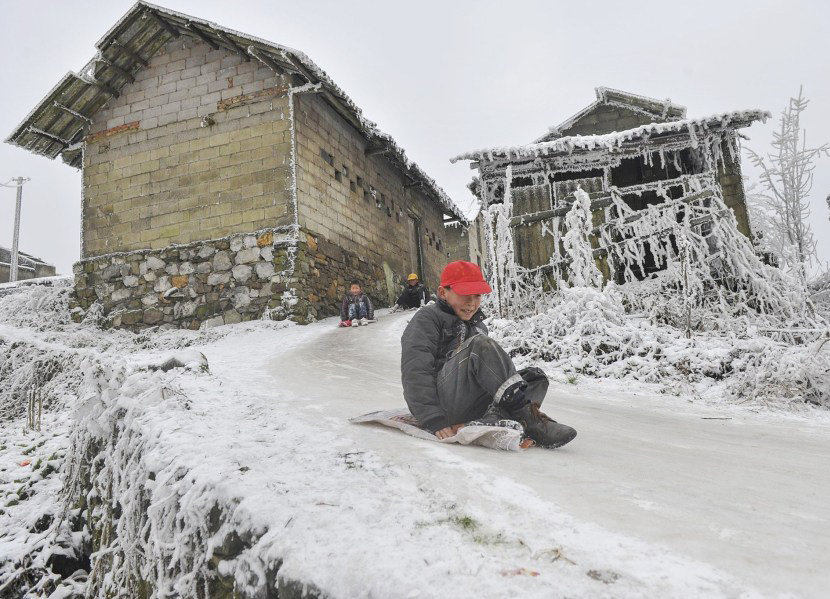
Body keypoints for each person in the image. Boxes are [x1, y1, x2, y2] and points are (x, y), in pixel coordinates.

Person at [400, 261, 577, 448]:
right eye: (465, 295)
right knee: (480, 345)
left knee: (534, 377)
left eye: (477, 295)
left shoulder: (478, 325)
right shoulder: (428, 318)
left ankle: (495, 417)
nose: (472, 302)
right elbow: (415, 370)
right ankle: (527, 420)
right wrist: (433, 418)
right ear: (443, 293)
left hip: (470, 403)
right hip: (444, 402)